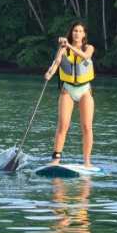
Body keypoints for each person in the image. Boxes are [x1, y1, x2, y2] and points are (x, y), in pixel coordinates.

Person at [43, 21, 95, 168]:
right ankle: (56, 159)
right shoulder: (63, 49)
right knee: (63, 126)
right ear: (71, 33)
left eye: (80, 31)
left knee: (86, 127)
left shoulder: (89, 47)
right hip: (68, 90)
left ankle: (86, 161)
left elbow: (85, 56)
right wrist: (49, 73)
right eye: (74, 31)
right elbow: (56, 62)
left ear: (84, 34)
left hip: (84, 90)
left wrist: (69, 45)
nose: (77, 33)